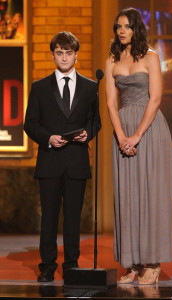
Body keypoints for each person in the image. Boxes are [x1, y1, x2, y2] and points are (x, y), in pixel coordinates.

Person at [105, 8, 172, 285]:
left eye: (127, 27)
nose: (122, 31)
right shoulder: (111, 58)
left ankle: (153, 263)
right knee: (127, 195)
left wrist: (136, 135)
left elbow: (156, 98)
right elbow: (111, 103)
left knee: (151, 194)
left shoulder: (152, 56)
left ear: (137, 29)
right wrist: (122, 135)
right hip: (122, 127)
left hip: (150, 129)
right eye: (118, 27)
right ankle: (131, 263)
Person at [24, 31, 101, 282]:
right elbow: (30, 123)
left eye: (69, 52)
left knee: (73, 218)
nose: (64, 57)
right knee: (48, 217)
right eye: (60, 52)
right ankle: (47, 266)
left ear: (76, 55)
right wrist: (48, 138)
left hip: (77, 162)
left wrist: (87, 134)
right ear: (53, 55)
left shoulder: (90, 87)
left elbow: (95, 121)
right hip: (49, 161)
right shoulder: (39, 87)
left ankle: (71, 265)